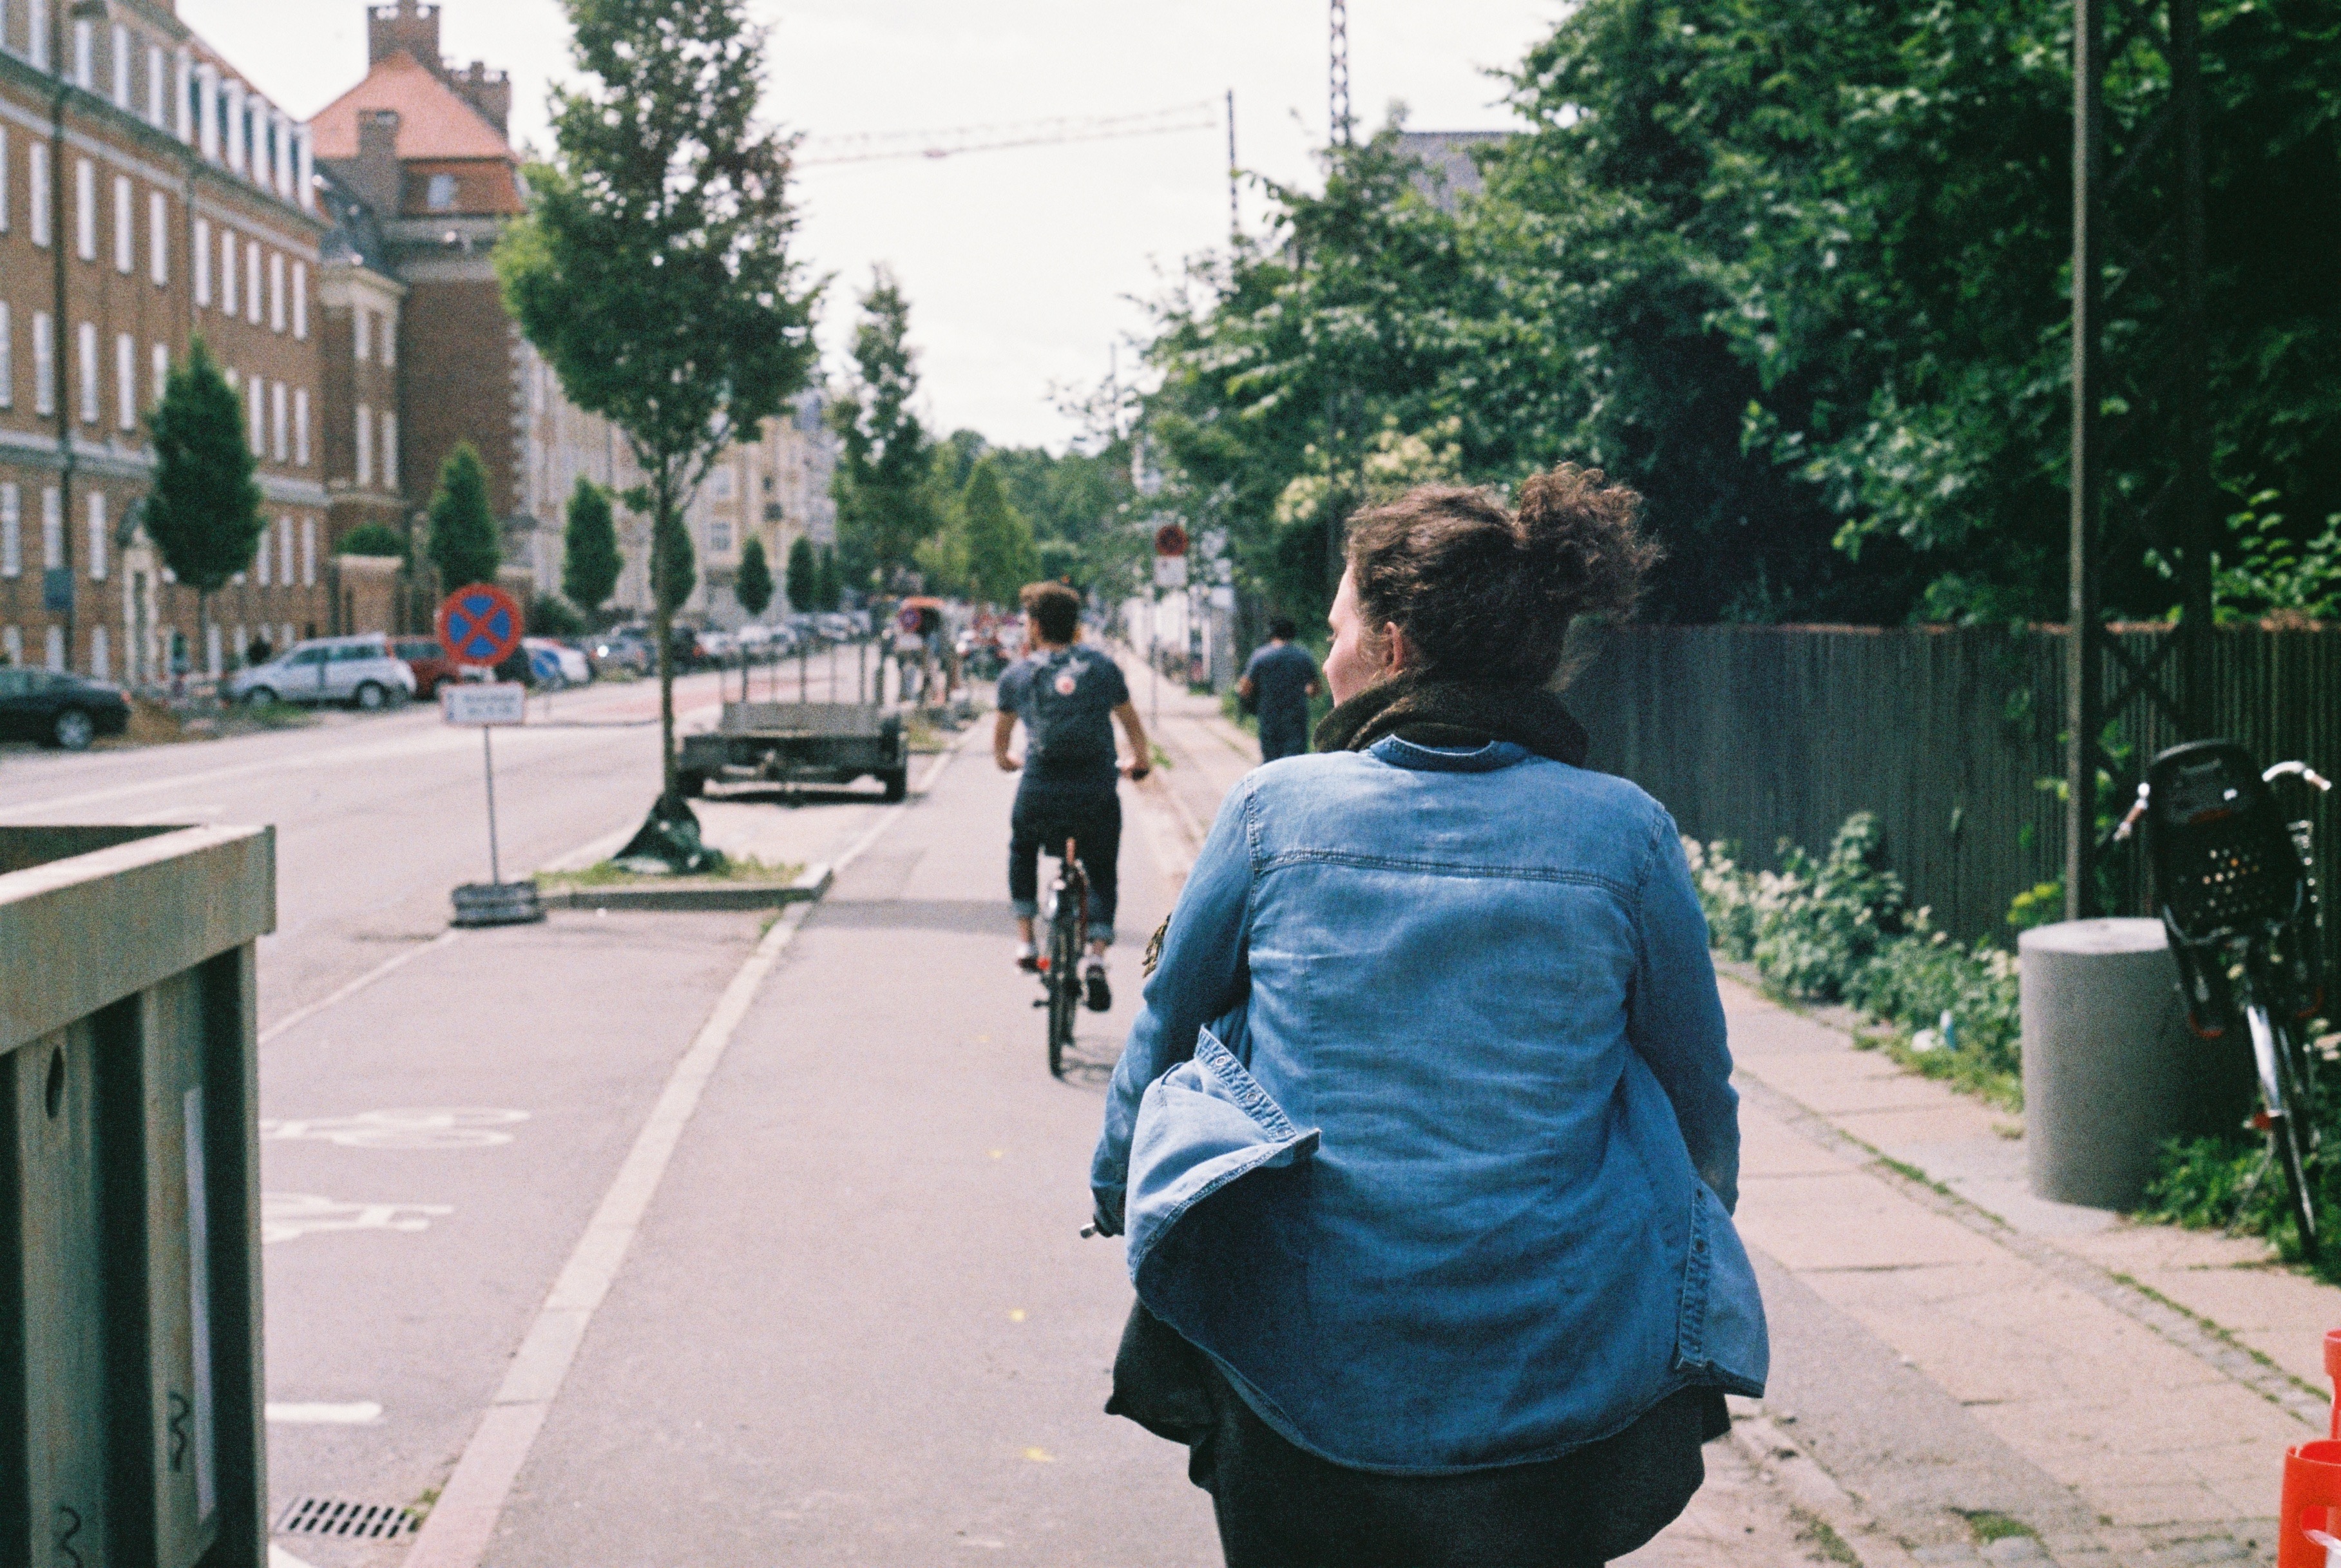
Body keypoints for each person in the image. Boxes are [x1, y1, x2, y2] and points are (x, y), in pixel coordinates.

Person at [1088, 466, 1766, 1568]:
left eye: (1341, 624)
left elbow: (1167, 1028)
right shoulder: (1626, 833)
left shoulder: (1274, 810)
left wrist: (1119, 1186)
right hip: (1554, 1368)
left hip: (1305, 1370)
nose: (1329, 648)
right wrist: (1691, 1231)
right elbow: (1695, 1091)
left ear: (1393, 646)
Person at [996, 581, 1152, 1011]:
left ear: (1035, 626)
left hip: (1040, 791)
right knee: (1101, 867)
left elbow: (1002, 743)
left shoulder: (1017, 675)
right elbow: (1132, 726)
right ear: (1075, 626)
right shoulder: (1102, 669)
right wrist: (1139, 761)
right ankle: (1097, 959)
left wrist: (1008, 761)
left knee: (1022, 847)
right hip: (1095, 791)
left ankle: (1027, 942)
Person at [1236, 617, 1320, 763]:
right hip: (1296, 716)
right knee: (1296, 760)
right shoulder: (1303, 656)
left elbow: (1244, 688)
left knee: (1270, 760)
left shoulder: (1260, 656)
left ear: (1271, 634)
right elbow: (1315, 689)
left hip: (1269, 715)